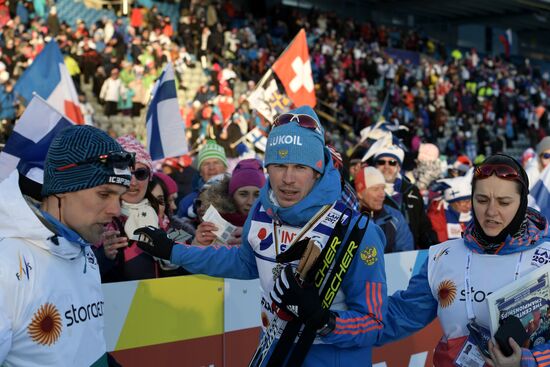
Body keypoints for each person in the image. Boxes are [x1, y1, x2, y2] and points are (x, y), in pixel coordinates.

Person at [134, 106, 387, 366]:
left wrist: (325, 321)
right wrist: (173, 251)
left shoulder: (356, 230)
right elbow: (244, 262)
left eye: (300, 166)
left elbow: (375, 325)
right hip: (272, 352)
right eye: (279, 165)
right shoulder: (262, 210)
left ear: (317, 170)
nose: (288, 179)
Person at [378, 154, 550, 366]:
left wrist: (527, 360)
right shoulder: (443, 256)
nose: (491, 212)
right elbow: (400, 316)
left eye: (504, 202)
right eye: (482, 200)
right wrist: (332, 323)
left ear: (522, 202)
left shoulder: (546, 257)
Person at [0, 125, 133, 365]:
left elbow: (87, 347)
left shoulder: (84, 251)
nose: (116, 210)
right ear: (62, 190)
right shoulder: (7, 263)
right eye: (104, 194)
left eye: (120, 197)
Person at [95, 135, 160, 282]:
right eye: (125, 173)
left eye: (140, 173)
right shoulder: (97, 221)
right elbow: (77, 276)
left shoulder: (162, 219)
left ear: (149, 178)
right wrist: (103, 256)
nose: (133, 182)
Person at [374, 145, 437, 249]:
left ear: (398, 167)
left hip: (410, 257)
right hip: (382, 254)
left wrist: (433, 246)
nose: (386, 166)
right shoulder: (368, 192)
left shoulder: (411, 191)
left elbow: (423, 226)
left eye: (392, 162)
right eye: (381, 162)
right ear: (375, 166)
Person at [194, 158, 266, 246]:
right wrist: (199, 243)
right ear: (231, 196)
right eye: (243, 194)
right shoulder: (213, 225)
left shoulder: (276, 224)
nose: (250, 202)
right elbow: (195, 257)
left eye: (257, 195)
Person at [355, 166, 413, 253]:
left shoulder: (395, 217)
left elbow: (406, 253)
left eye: (383, 188)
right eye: (375, 189)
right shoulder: (351, 218)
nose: (382, 194)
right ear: (360, 194)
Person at [176, 140, 228, 219]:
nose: (211, 167)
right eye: (206, 164)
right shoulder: (187, 202)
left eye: (216, 162)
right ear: (200, 172)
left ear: (225, 168)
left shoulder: (236, 194)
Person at [427, 174, 472, 243]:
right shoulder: (438, 216)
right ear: (451, 203)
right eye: (464, 202)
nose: (468, 206)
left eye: (470, 201)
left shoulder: (477, 213)